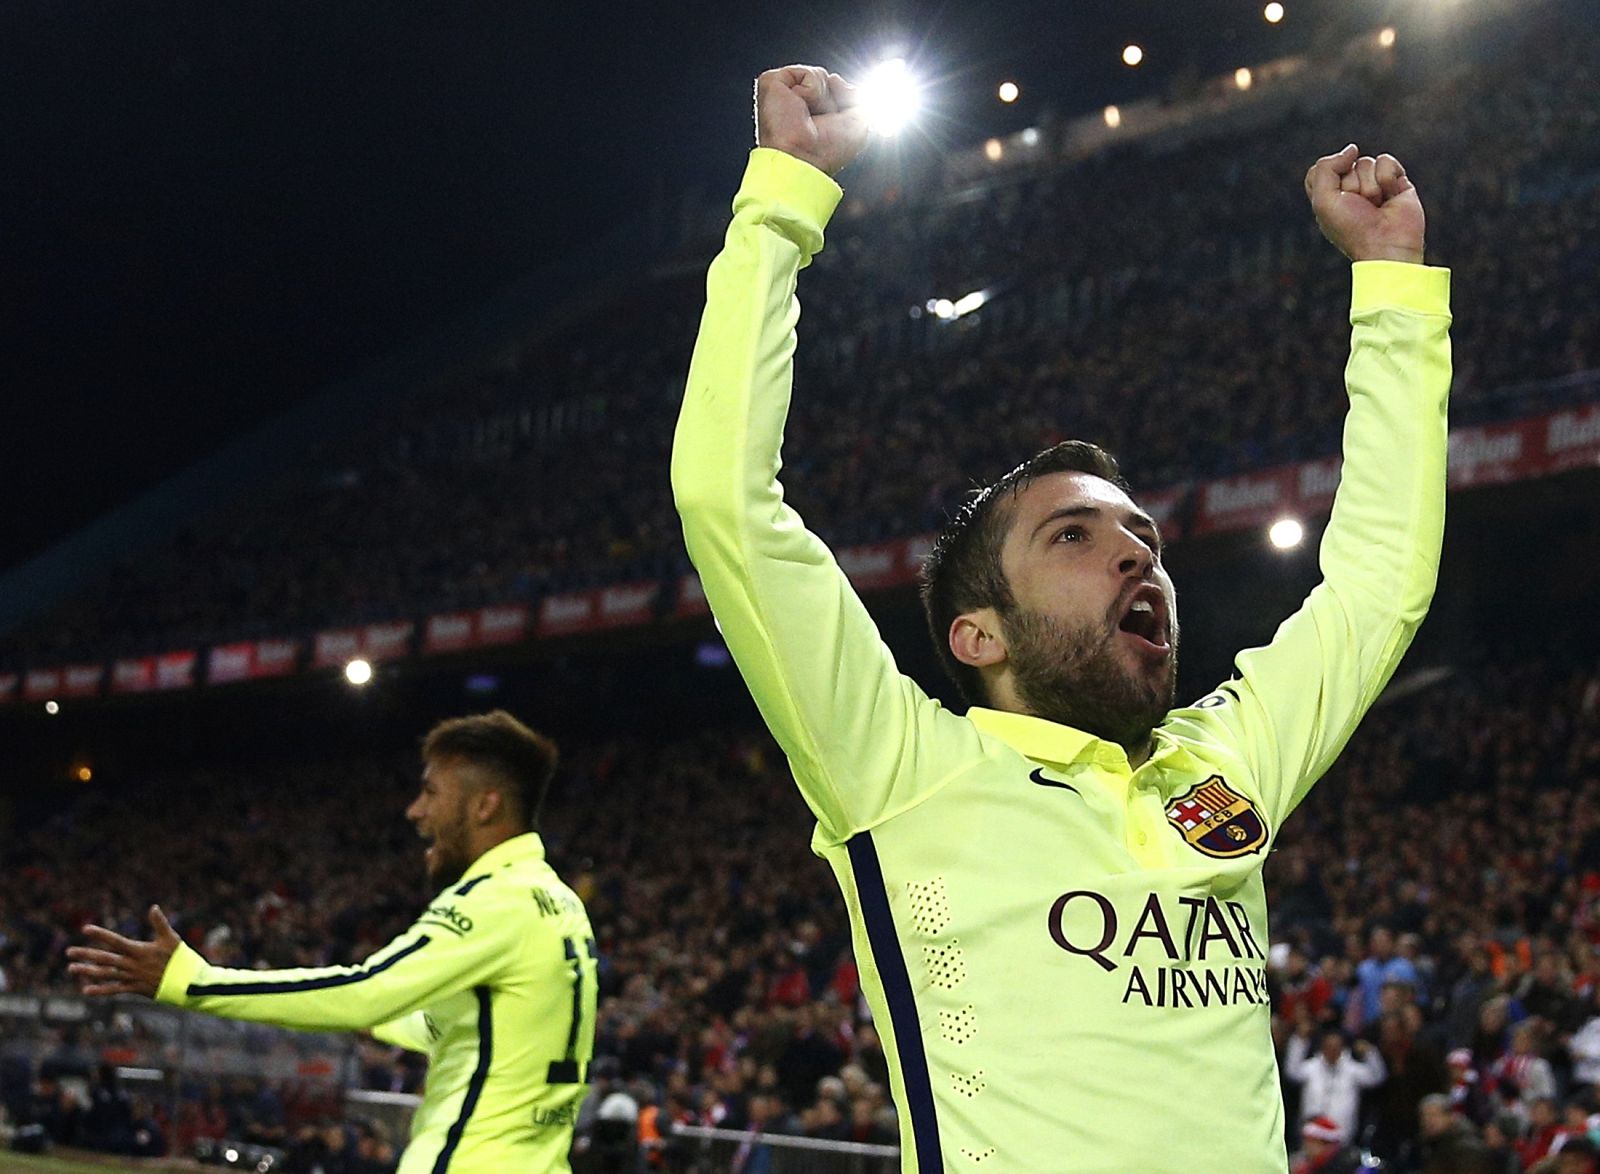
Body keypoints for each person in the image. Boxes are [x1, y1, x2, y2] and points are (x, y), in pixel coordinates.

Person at [671, 63, 1451, 1171]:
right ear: (975, 635)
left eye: (1142, 535)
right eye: (1073, 536)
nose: (1136, 549)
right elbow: (728, 504)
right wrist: (783, 201)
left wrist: (1391, 286)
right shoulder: (897, 767)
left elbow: (1380, 578)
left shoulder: (1224, 759)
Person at [64, 710, 597, 1173]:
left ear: (485, 807)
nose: (416, 811)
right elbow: (483, 1032)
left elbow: (365, 987)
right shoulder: (561, 904)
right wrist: (373, 1016)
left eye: (431, 792)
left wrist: (192, 981)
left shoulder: (490, 899)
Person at [1285, 1027, 1387, 1144]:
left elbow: (1377, 1077)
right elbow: (1292, 1072)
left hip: (1342, 1136)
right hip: (1312, 1135)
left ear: (1342, 1048)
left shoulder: (1352, 1069)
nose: (1332, 1051)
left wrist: (1370, 1053)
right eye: (1328, 1046)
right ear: (1322, 1047)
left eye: (1336, 1047)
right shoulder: (1312, 1067)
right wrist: (1299, 1042)